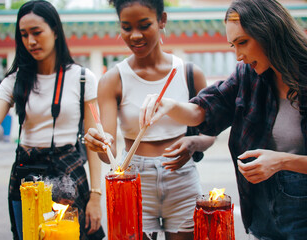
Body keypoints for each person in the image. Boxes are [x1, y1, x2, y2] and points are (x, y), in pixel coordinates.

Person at [140, 0, 307, 239]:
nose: (238, 55)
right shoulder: (249, 75)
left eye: (243, 43)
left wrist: (282, 162)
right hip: (263, 211)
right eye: (233, 45)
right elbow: (204, 111)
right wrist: (168, 105)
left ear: (269, 32)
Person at [0, 1, 105, 239]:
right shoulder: (15, 80)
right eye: (24, 35)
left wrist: (96, 195)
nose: (31, 41)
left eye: (37, 32)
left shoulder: (83, 79)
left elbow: (94, 141)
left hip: (68, 174)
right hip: (27, 176)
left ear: (55, 30)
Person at [83, 0, 215, 239]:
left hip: (182, 177)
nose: (135, 35)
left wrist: (192, 144)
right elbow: (108, 151)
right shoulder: (113, 79)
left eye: (144, 25)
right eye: (126, 27)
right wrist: (99, 144)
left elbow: (209, 133)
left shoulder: (189, 73)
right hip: (134, 178)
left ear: (162, 20)